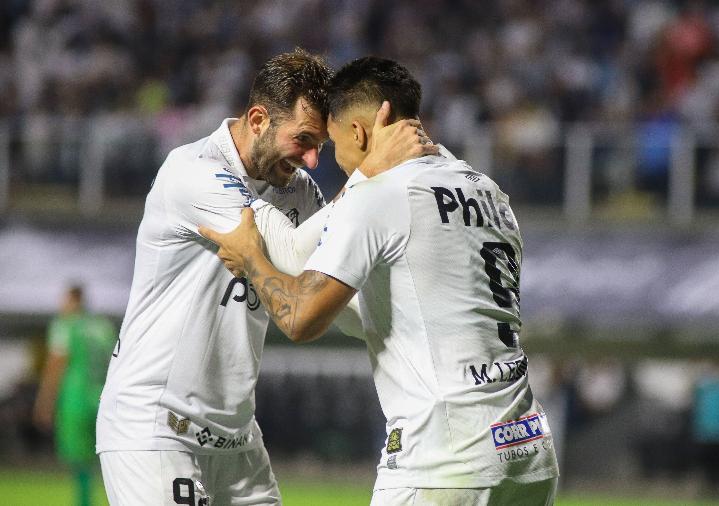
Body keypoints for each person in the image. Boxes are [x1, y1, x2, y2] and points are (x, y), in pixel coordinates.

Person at [200, 56, 560, 505]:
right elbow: (398, 310)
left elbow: (299, 318)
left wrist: (252, 258)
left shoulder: (381, 195)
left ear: (361, 131)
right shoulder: (489, 192)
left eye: (333, 145)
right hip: (529, 454)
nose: (335, 160)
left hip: (444, 461)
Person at [96, 48, 435, 506]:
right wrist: (371, 176)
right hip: (156, 426)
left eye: (321, 146)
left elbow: (331, 291)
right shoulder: (195, 172)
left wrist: (413, 323)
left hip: (235, 439)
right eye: (303, 140)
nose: (314, 160)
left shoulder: (297, 191)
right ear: (258, 120)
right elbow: (291, 251)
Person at [34, 284, 117, 506]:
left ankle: (84, 502)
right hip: (101, 399)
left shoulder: (64, 325)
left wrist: (45, 401)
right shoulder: (102, 326)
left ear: (73, 300)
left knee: (80, 461)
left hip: (75, 400)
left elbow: (56, 364)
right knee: (106, 457)